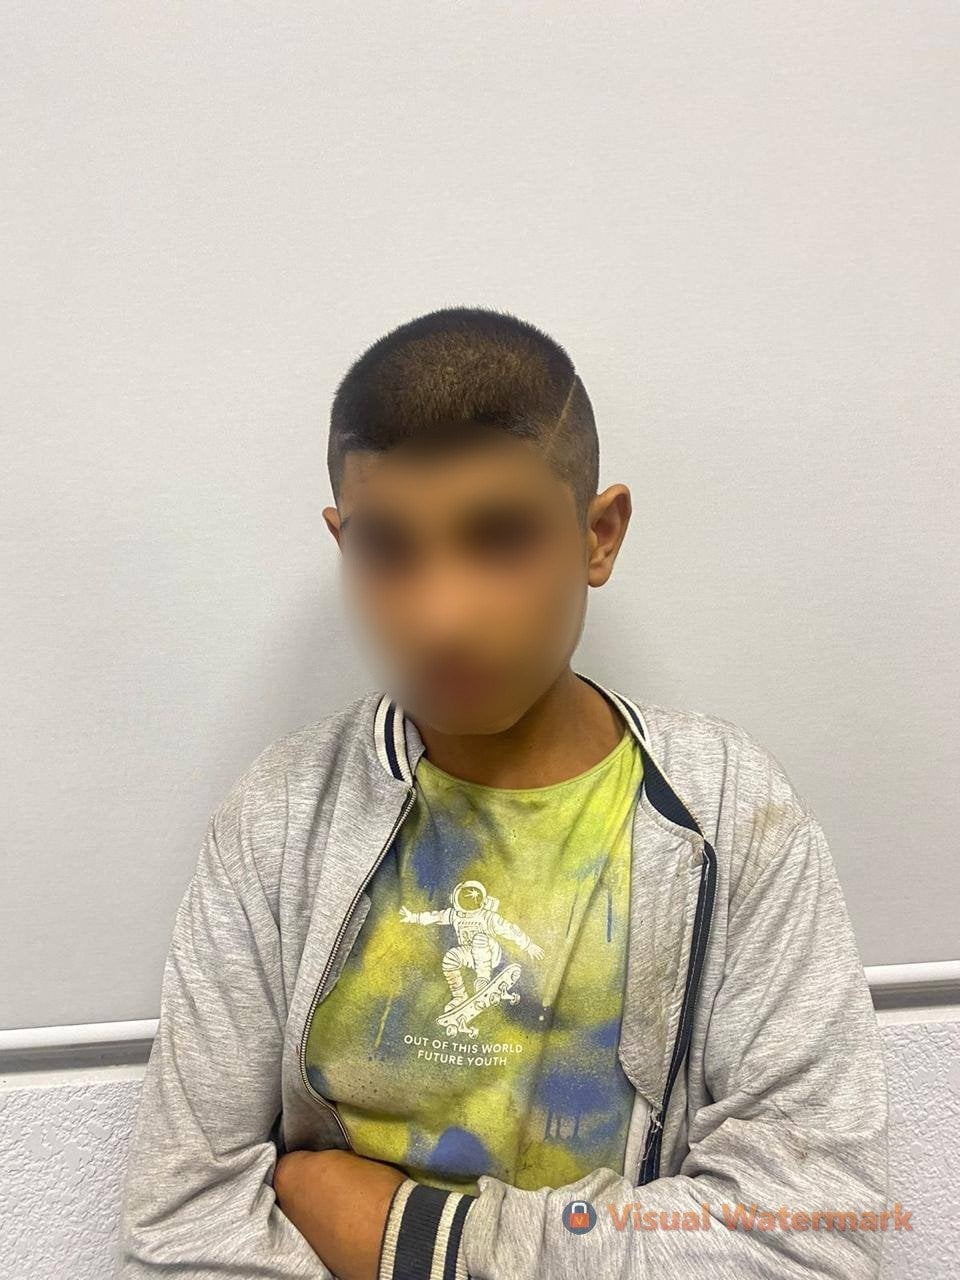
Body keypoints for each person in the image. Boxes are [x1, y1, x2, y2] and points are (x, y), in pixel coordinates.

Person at [116, 307, 889, 1280]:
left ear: (598, 535)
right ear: (341, 542)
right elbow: (179, 1225)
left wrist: (403, 1233)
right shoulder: (280, 820)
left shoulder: (730, 812)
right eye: (388, 547)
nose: (440, 616)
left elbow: (812, 1235)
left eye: (500, 538)